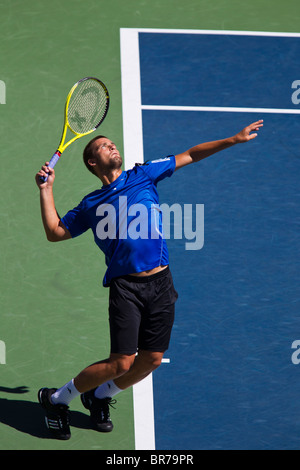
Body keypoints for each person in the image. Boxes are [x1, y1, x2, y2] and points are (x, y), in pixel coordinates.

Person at [35, 119, 263, 440]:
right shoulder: (91, 204)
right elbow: (56, 232)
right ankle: (55, 399)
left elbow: (190, 155)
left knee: (151, 360)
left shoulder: (143, 174)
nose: (112, 146)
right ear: (92, 161)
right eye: (104, 145)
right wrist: (46, 189)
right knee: (121, 363)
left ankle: (98, 396)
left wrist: (233, 139)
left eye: (112, 143)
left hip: (161, 282)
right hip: (126, 288)